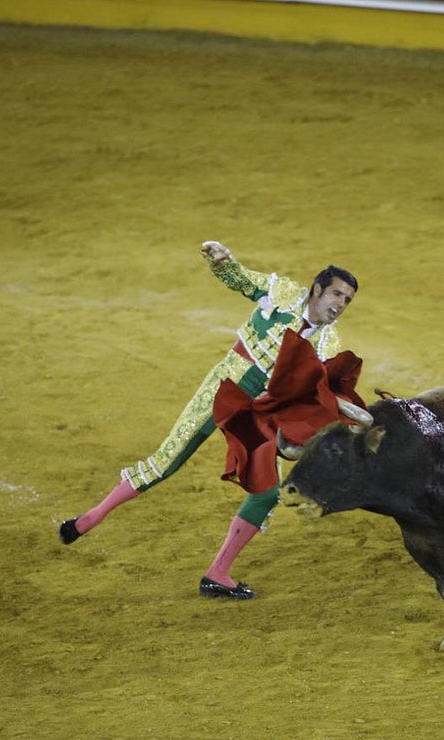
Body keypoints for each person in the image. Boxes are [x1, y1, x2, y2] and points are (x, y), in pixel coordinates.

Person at [58, 240, 358, 600]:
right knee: (168, 459)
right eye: (336, 294)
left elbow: (314, 395)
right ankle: (92, 517)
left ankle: (218, 573)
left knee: (266, 493)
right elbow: (242, 280)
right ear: (317, 289)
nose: (340, 305)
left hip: (258, 411)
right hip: (226, 386)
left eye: (347, 300)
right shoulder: (282, 292)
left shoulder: (329, 344)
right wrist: (223, 261)